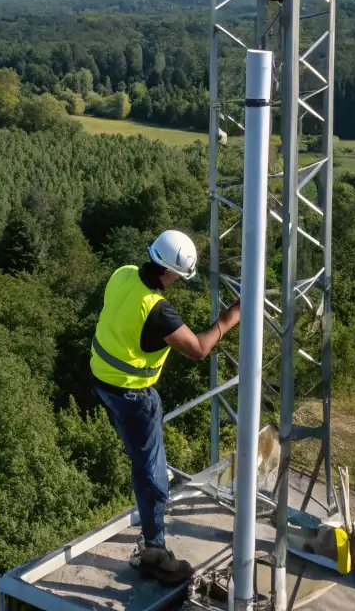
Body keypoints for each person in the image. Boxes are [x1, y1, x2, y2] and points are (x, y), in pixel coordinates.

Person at [88, 228, 241, 586]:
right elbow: (199, 348)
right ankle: (154, 551)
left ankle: (150, 492)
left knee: (145, 452)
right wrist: (232, 316)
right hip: (130, 394)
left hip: (101, 379)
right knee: (150, 468)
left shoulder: (123, 273)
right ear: (173, 272)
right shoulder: (158, 310)